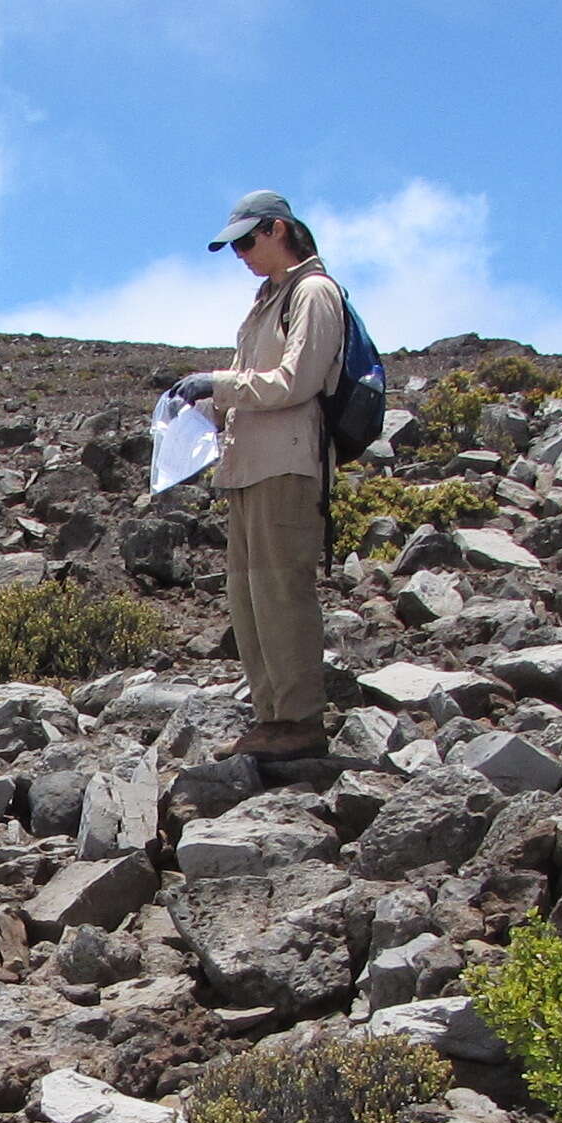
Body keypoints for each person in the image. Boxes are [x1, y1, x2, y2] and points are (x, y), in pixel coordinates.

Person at [172, 189, 349, 761]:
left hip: (289, 463)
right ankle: (272, 718)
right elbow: (255, 383)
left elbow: (295, 381)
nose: (241, 253)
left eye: (248, 240)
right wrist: (201, 410)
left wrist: (218, 384)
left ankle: (299, 719)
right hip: (249, 466)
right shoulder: (268, 300)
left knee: (280, 592)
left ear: (278, 230)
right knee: (249, 597)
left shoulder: (314, 293)